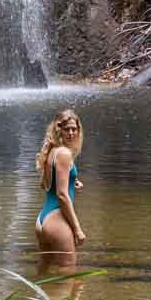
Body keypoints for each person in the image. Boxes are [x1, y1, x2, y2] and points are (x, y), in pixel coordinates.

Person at [34, 108, 85, 262]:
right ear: (59, 130)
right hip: (57, 221)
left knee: (44, 271)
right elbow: (62, 195)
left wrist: (73, 181)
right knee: (69, 272)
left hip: (42, 220)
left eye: (74, 129)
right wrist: (77, 229)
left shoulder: (52, 151)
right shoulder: (64, 154)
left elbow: (46, 184)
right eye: (67, 129)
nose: (71, 133)